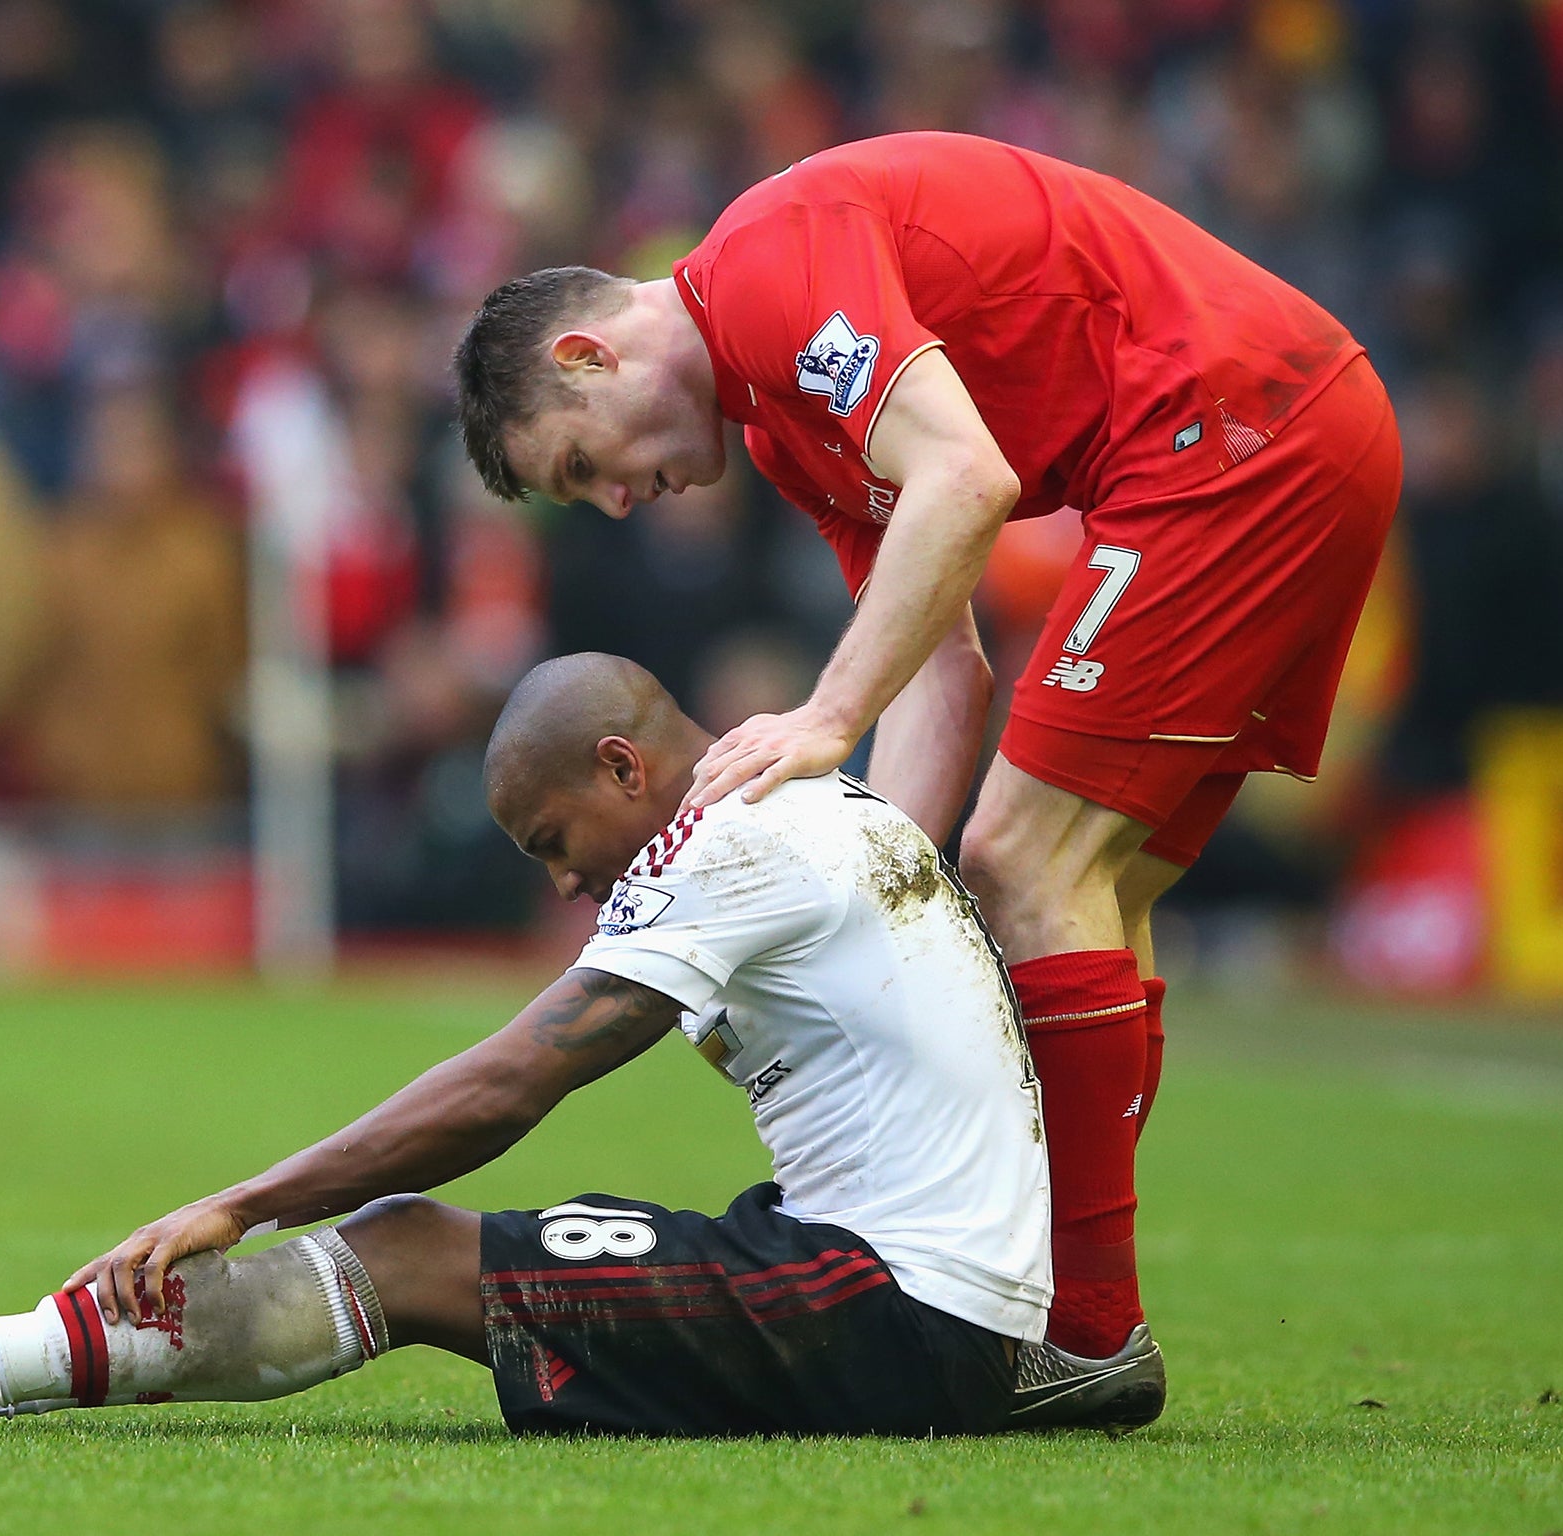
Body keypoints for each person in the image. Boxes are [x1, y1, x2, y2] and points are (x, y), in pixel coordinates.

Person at [454, 132, 1403, 1363]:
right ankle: (1056, 1300)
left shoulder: (760, 272)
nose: (617, 502)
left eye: (585, 464)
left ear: (588, 354)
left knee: (1018, 859)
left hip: (1226, 432)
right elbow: (943, 663)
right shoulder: (789, 428)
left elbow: (964, 479)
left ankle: (1076, 1331)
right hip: (1287, 424)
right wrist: (880, 901)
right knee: (1085, 887)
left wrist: (823, 721)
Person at [0, 654, 1161, 1438]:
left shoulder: (734, 841)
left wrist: (244, 1200)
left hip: (894, 1309)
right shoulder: (810, 813)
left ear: (623, 767)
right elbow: (943, 685)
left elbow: (513, 1079)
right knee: (428, 1244)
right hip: (885, 1277)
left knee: (409, 1247)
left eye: (556, 845)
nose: (561, 885)